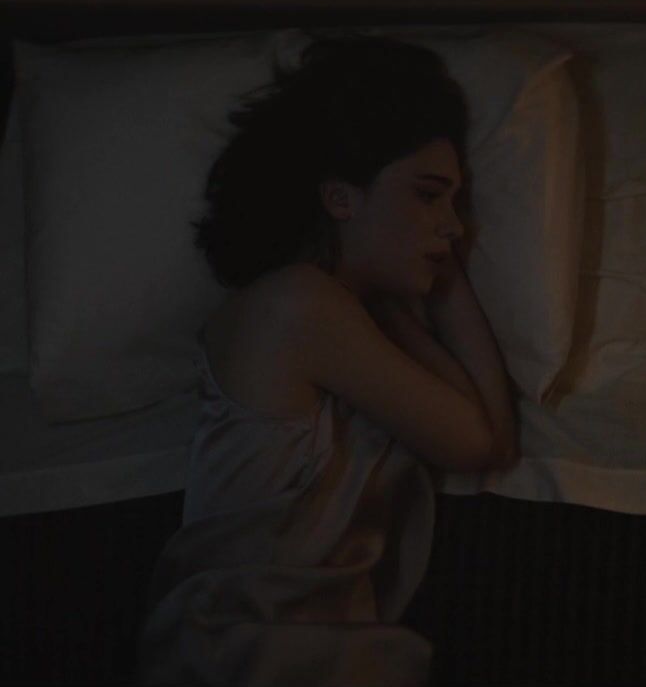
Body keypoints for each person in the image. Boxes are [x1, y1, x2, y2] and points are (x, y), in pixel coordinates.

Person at [136, 33, 517, 687]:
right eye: (429, 195)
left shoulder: (350, 319)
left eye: (455, 203)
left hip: (306, 649)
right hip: (249, 653)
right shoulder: (298, 305)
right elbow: (480, 441)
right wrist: (452, 287)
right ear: (340, 197)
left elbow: (488, 435)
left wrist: (417, 293)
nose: (455, 226)